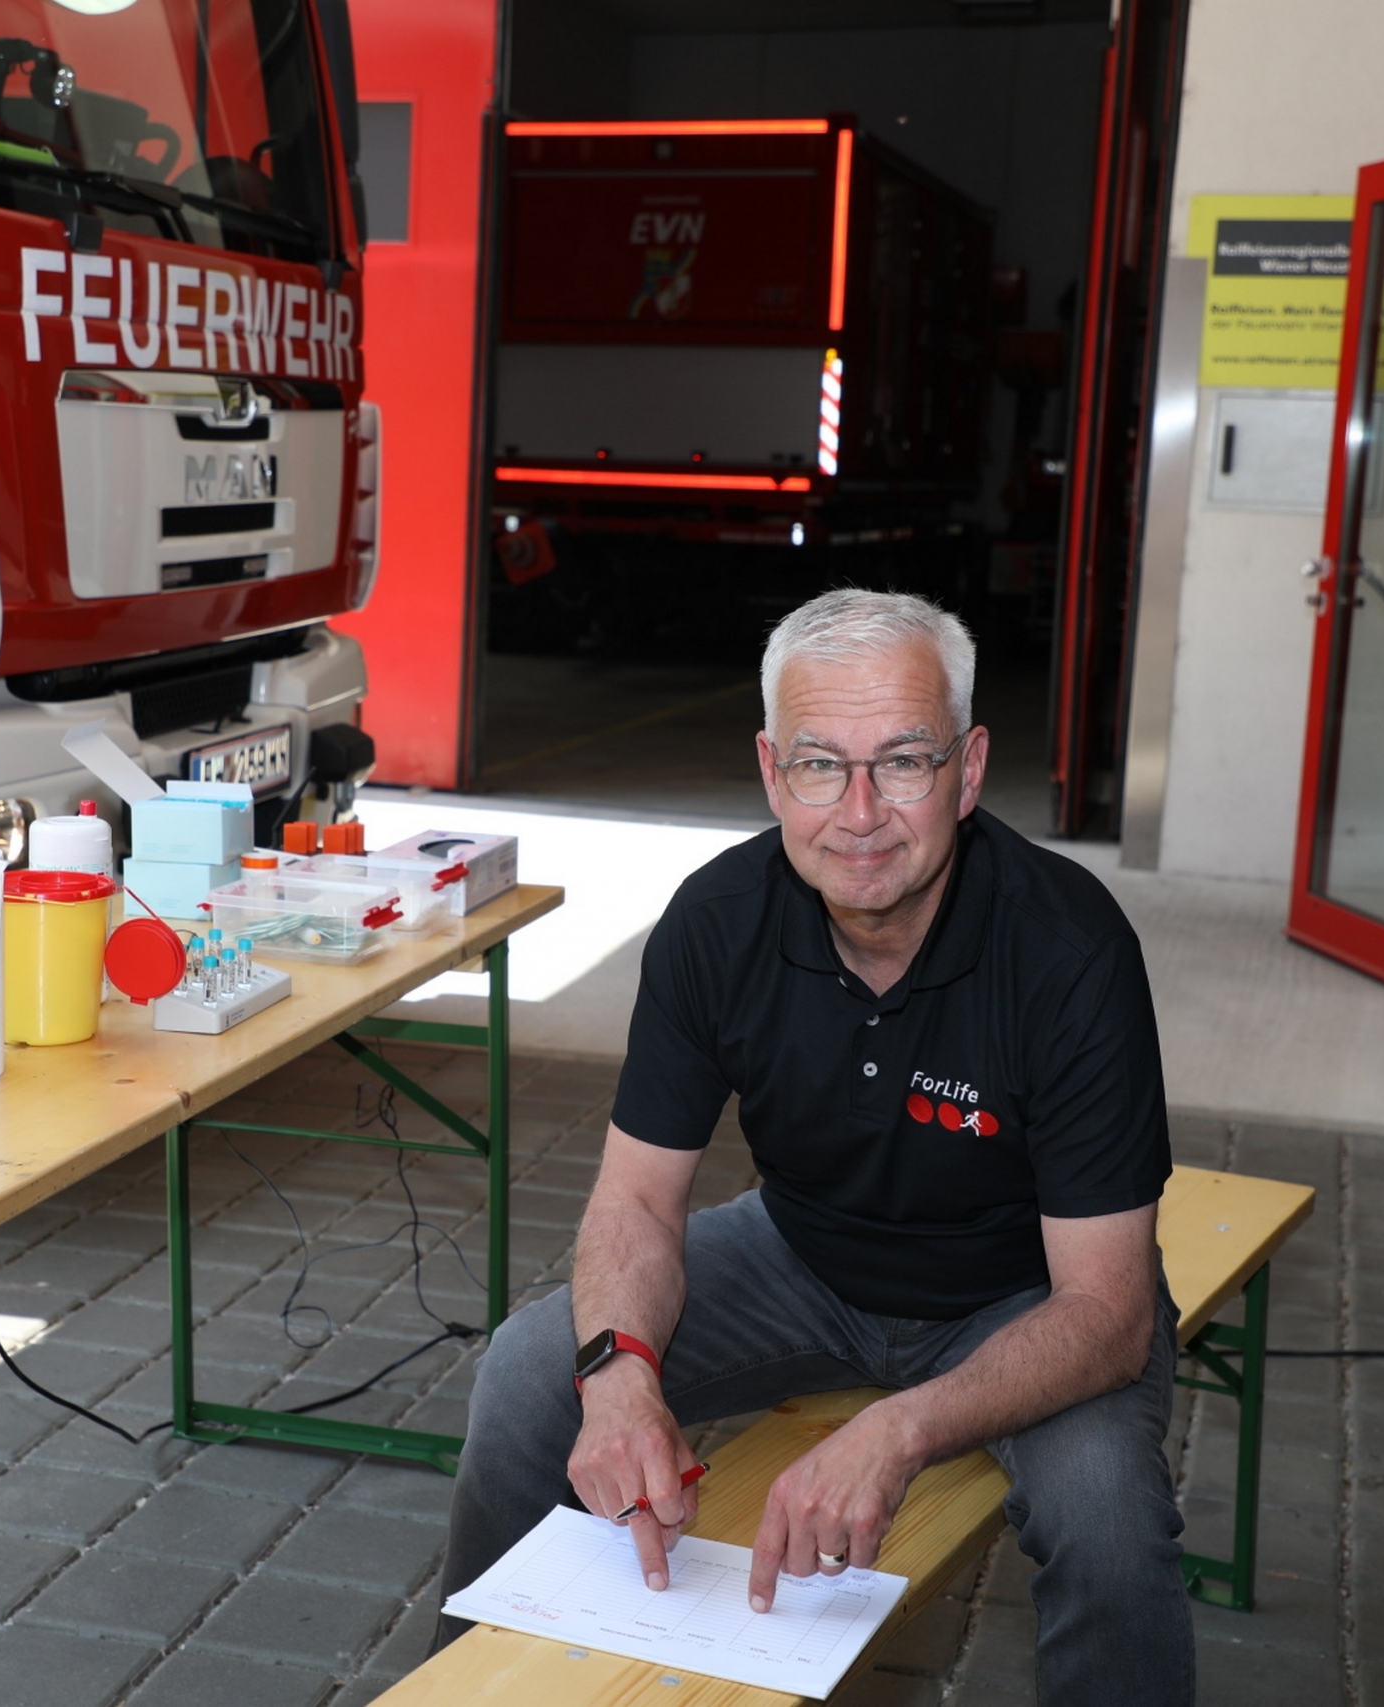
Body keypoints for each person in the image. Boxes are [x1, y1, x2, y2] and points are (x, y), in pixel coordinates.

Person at [433, 588, 1191, 1703]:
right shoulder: (716, 921)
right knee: (530, 1374)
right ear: (770, 771)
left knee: (1110, 1521)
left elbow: (1110, 1312)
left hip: (1027, 1296)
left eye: (905, 761)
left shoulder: (1068, 949)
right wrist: (620, 1373)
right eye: (820, 763)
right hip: (803, 1260)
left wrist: (899, 1431)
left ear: (969, 770)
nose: (860, 812)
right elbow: (635, 1202)